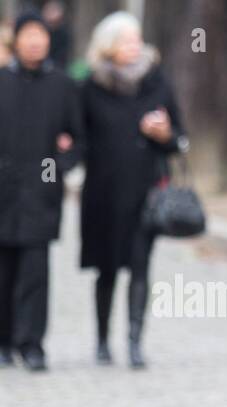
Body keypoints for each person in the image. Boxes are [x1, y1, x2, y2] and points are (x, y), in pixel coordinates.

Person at [79, 11, 186, 369]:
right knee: (106, 269)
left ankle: (135, 342)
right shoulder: (90, 87)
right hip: (104, 193)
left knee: (140, 267)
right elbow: (78, 138)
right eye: (126, 41)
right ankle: (102, 341)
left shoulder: (157, 82)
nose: (134, 46)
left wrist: (165, 135)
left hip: (146, 193)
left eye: (137, 39)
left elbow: (180, 141)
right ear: (108, 46)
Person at [0, 10, 82, 371]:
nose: (35, 41)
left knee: (35, 271)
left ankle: (32, 343)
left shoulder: (62, 86)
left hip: (42, 192)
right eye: (28, 34)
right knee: (3, 272)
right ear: (15, 41)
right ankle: (3, 342)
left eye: (41, 34)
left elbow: (79, 139)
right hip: (3, 192)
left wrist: (61, 164)